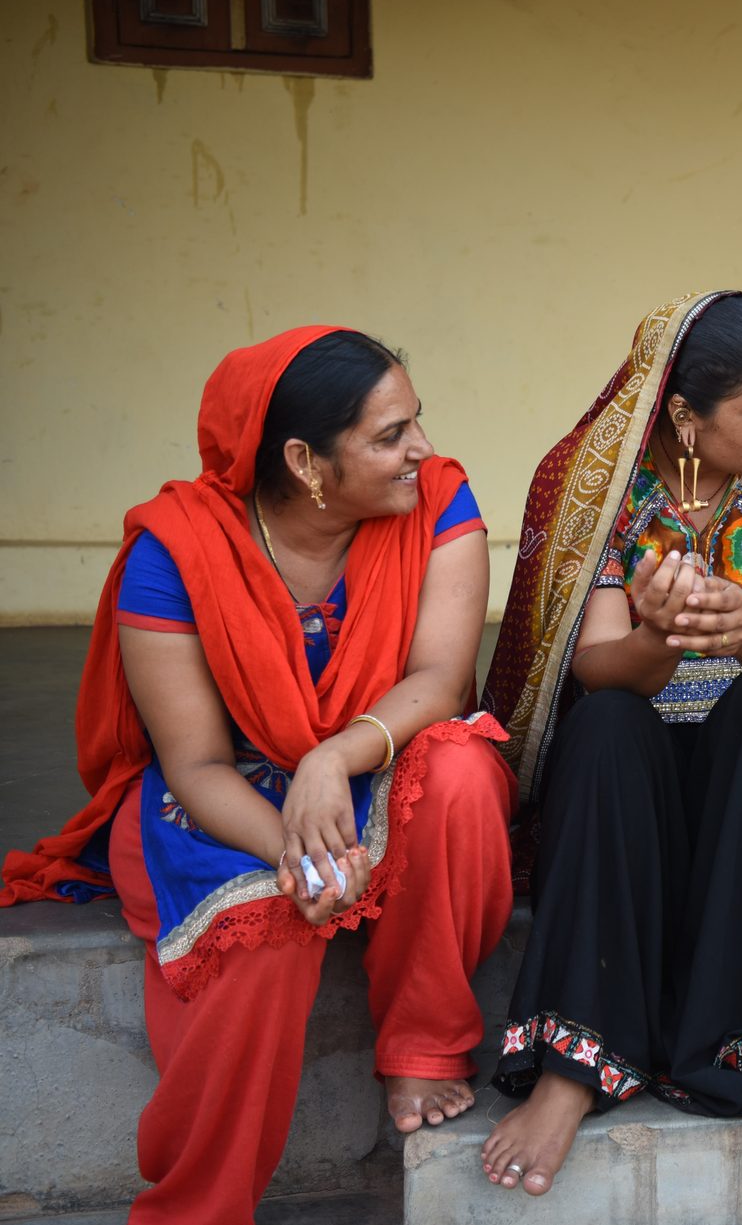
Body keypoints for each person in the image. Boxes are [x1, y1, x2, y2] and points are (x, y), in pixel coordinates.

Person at [0, 327, 516, 1225]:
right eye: (391, 435)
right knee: (265, 924)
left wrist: (330, 756)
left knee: (465, 770)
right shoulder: (177, 553)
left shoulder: (437, 501)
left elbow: (439, 682)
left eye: (417, 422)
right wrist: (302, 852)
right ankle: (197, 1207)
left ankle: (425, 1045)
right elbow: (193, 761)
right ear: (306, 462)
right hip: (220, 796)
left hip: (365, 758)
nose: (422, 450)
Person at [478, 291, 742, 1196]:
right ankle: (570, 1065)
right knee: (608, 726)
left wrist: (737, 625)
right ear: (681, 415)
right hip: (643, 764)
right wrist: (661, 636)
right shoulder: (606, 486)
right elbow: (593, 667)